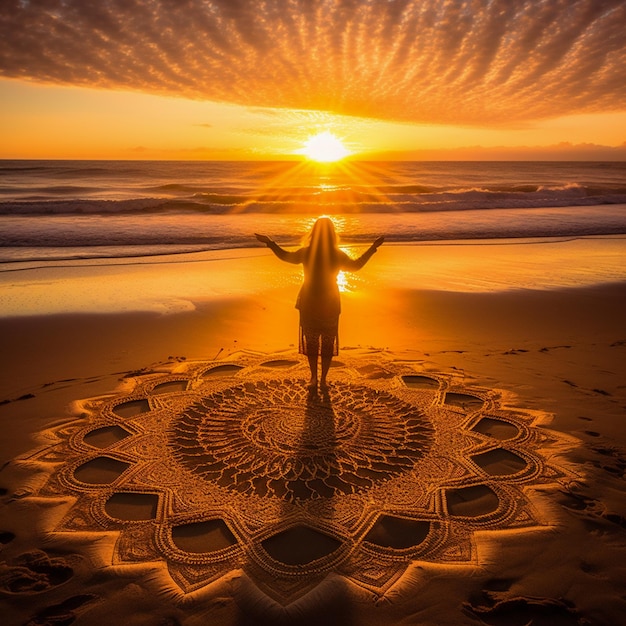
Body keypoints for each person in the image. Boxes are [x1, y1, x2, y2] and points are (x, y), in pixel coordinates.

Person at [255, 217, 384, 392]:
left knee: (312, 341)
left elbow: (286, 256)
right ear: (332, 234)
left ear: (314, 233)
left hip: (309, 301)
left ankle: (314, 378)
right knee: (327, 342)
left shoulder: (308, 252)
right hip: (330, 302)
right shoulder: (336, 254)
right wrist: (372, 248)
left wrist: (270, 243)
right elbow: (356, 266)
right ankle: (323, 379)